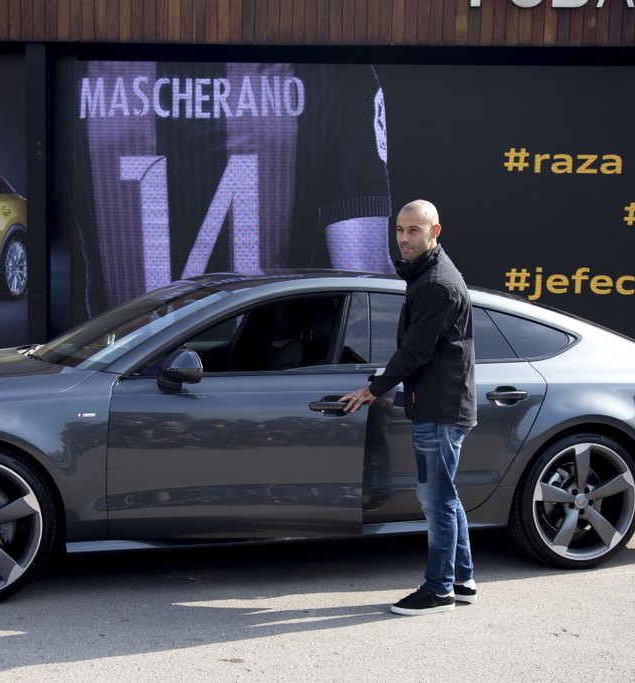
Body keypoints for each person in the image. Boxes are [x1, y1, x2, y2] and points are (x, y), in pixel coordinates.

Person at [69, 60, 394, 320]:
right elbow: (367, 278)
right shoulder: (335, 71)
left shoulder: (77, 68)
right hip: (266, 375)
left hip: (117, 366)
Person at [341, 198, 477, 616]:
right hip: (441, 403)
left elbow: (415, 352)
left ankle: (438, 591)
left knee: (435, 500)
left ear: (435, 232)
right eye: (400, 230)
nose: (404, 238)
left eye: (414, 230)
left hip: (440, 408)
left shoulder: (436, 283)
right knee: (445, 496)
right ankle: (462, 577)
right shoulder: (426, 276)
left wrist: (373, 389)